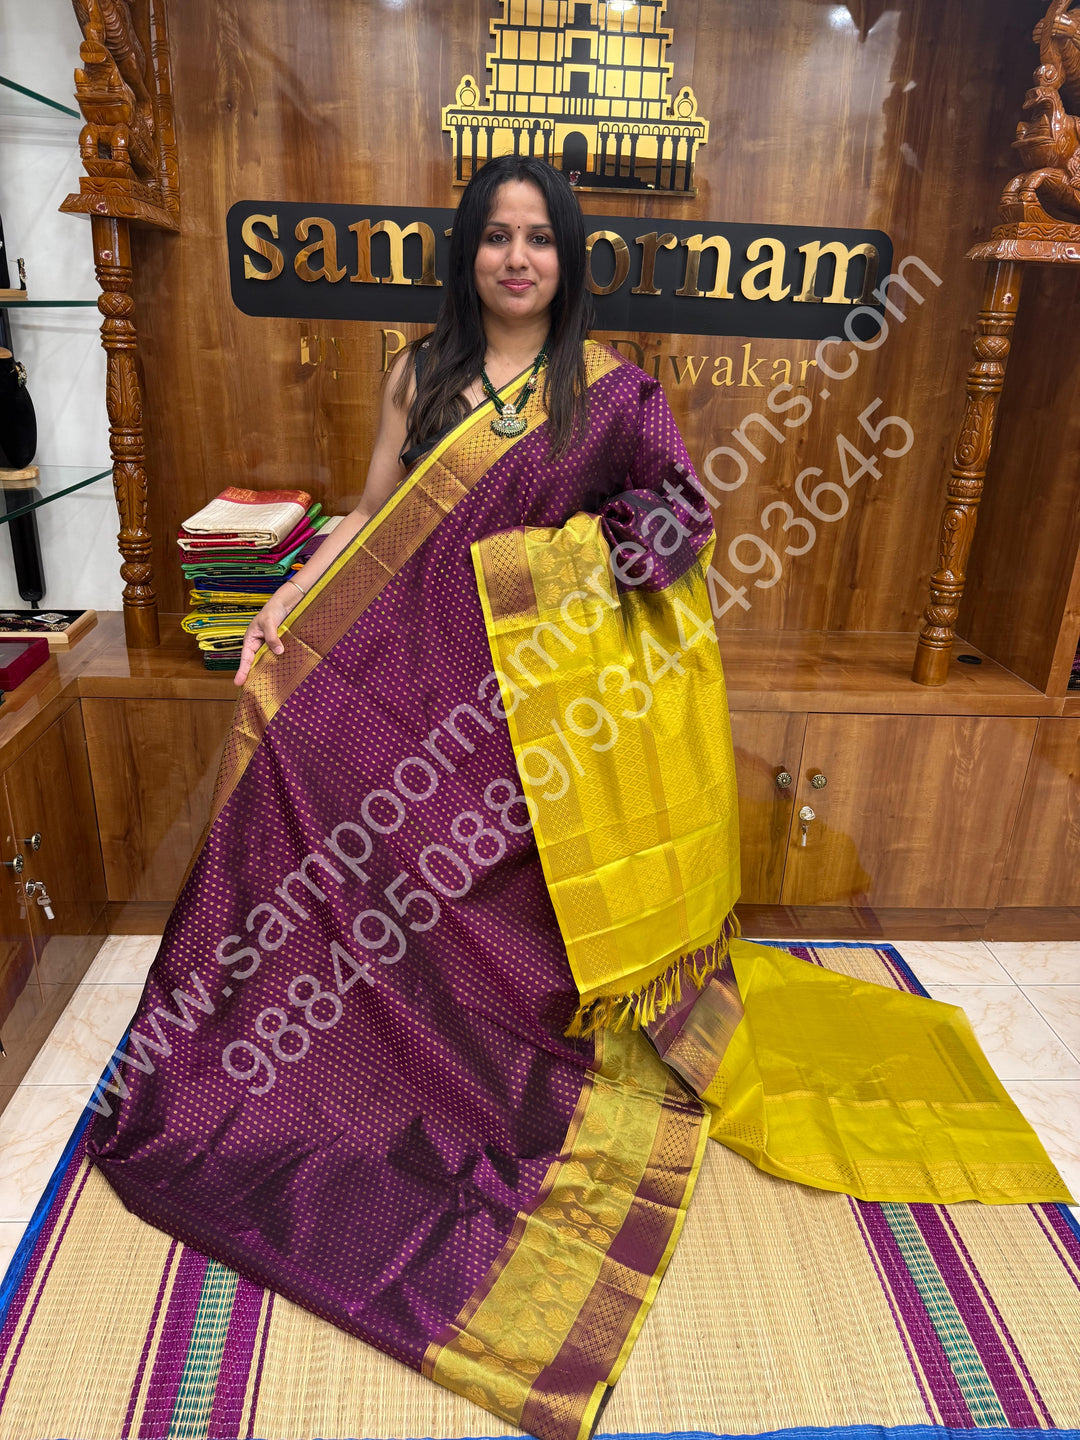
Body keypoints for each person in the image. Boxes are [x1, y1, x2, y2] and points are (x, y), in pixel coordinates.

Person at [86, 157, 1069, 1440]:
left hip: (531, 707)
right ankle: (301, 1056)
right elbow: (376, 513)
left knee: (459, 847)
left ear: (568, 255)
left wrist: (578, 562)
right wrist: (281, 598)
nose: (514, 259)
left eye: (537, 239)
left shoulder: (606, 396)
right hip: (406, 669)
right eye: (494, 237)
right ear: (467, 253)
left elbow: (682, 512)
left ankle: (467, 1067)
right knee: (294, 761)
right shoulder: (417, 371)